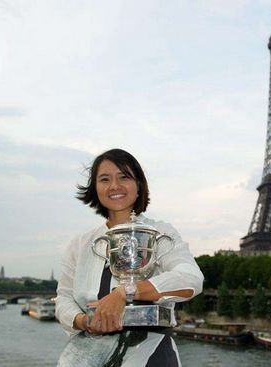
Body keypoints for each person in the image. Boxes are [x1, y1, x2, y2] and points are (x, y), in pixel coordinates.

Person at [55, 148, 204, 367]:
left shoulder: (161, 233)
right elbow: (64, 299)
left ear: (139, 186)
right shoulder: (80, 244)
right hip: (88, 355)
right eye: (105, 179)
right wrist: (85, 321)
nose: (114, 186)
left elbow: (191, 278)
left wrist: (125, 292)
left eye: (124, 177)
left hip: (149, 353)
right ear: (96, 189)